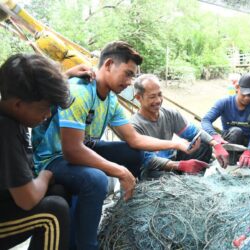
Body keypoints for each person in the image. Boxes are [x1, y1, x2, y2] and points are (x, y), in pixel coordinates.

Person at [32, 41, 194, 250]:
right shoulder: (79, 92)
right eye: (128, 74)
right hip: (53, 157)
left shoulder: (110, 100)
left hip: (84, 147)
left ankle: (125, 208)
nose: (130, 81)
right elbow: (71, 151)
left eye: (133, 76)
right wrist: (120, 172)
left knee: (133, 154)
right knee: (97, 179)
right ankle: (87, 245)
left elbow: (134, 139)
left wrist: (176, 144)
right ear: (108, 64)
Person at [0, 54, 87, 249]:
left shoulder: (13, 111)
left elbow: (33, 91)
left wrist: (65, 75)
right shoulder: (5, 129)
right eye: (44, 108)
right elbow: (27, 200)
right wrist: (46, 176)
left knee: (59, 191)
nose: (47, 115)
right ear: (18, 104)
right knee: (53, 212)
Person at [131, 74, 229, 178]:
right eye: (152, 96)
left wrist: (216, 145)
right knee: (165, 178)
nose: (158, 100)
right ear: (138, 98)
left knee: (204, 144)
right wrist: (181, 166)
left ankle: (192, 180)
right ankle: (183, 179)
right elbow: (147, 160)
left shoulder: (170, 114)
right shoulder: (134, 126)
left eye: (160, 94)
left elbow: (194, 132)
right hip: (153, 170)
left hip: (173, 160)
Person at [201, 74, 250, 167]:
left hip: (249, 142)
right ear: (237, 88)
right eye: (244, 94)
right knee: (236, 131)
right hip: (230, 140)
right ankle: (229, 163)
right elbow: (205, 120)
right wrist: (215, 137)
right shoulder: (224, 102)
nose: (247, 98)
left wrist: (249, 150)